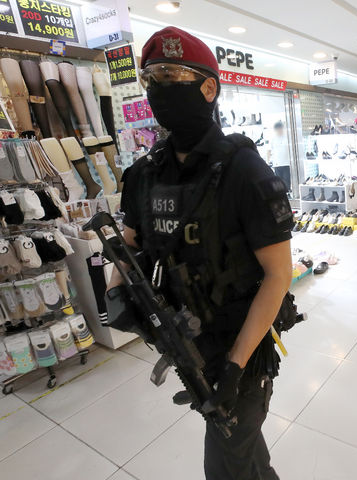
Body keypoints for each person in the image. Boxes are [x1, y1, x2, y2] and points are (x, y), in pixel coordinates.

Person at [107, 27, 293, 479]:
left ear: (208, 87)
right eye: (151, 77)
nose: (158, 87)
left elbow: (278, 275)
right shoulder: (143, 176)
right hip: (186, 342)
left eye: (171, 74)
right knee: (246, 457)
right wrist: (118, 294)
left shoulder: (246, 172)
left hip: (240, 352)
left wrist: (233, 367)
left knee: (228, 464)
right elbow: (128, 245)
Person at [268, 120, 291, 192]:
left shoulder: (287, 138)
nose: (279, 130)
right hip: (277, 163)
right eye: (277, 129)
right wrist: (268, 161)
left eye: (280, 128)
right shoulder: (272, 139)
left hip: (287, 163)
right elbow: (269, 150)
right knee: (278, 180)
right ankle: (281, 193)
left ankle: (287, 193)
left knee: (287, 180)